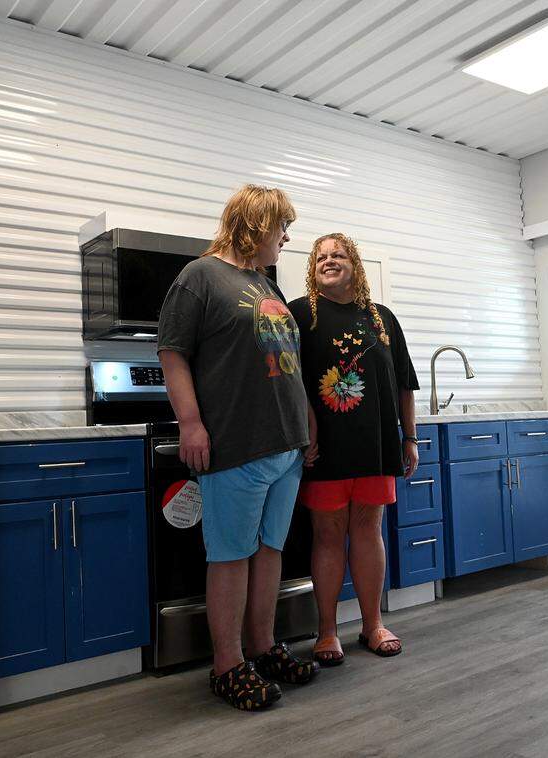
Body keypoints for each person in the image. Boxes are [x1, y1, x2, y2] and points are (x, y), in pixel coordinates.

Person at [156, 185, 317, 711]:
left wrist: (305, 424)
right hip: (236, 443)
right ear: (256, 223)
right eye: (281, 228)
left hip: (286, 445)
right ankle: (226, 665)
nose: (286, 238)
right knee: (230, 556)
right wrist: (191, 423)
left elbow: (288, 360)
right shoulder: (200, 277)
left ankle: (263, 648)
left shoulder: (263, 279)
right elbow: (173, 354)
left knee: (271, 549)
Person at [287, 232, 420, 666]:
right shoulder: (299, 315)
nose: (329, 261)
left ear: (354, 264)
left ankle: (372, 624)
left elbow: (404, 384)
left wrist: (410, 437)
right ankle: (327, 632)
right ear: (313, 267)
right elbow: (285, 383)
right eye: (321, 256)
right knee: (327, 536)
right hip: (322, 449)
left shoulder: (381, 318)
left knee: (368, 529)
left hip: (377, 445)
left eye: (338, 254)